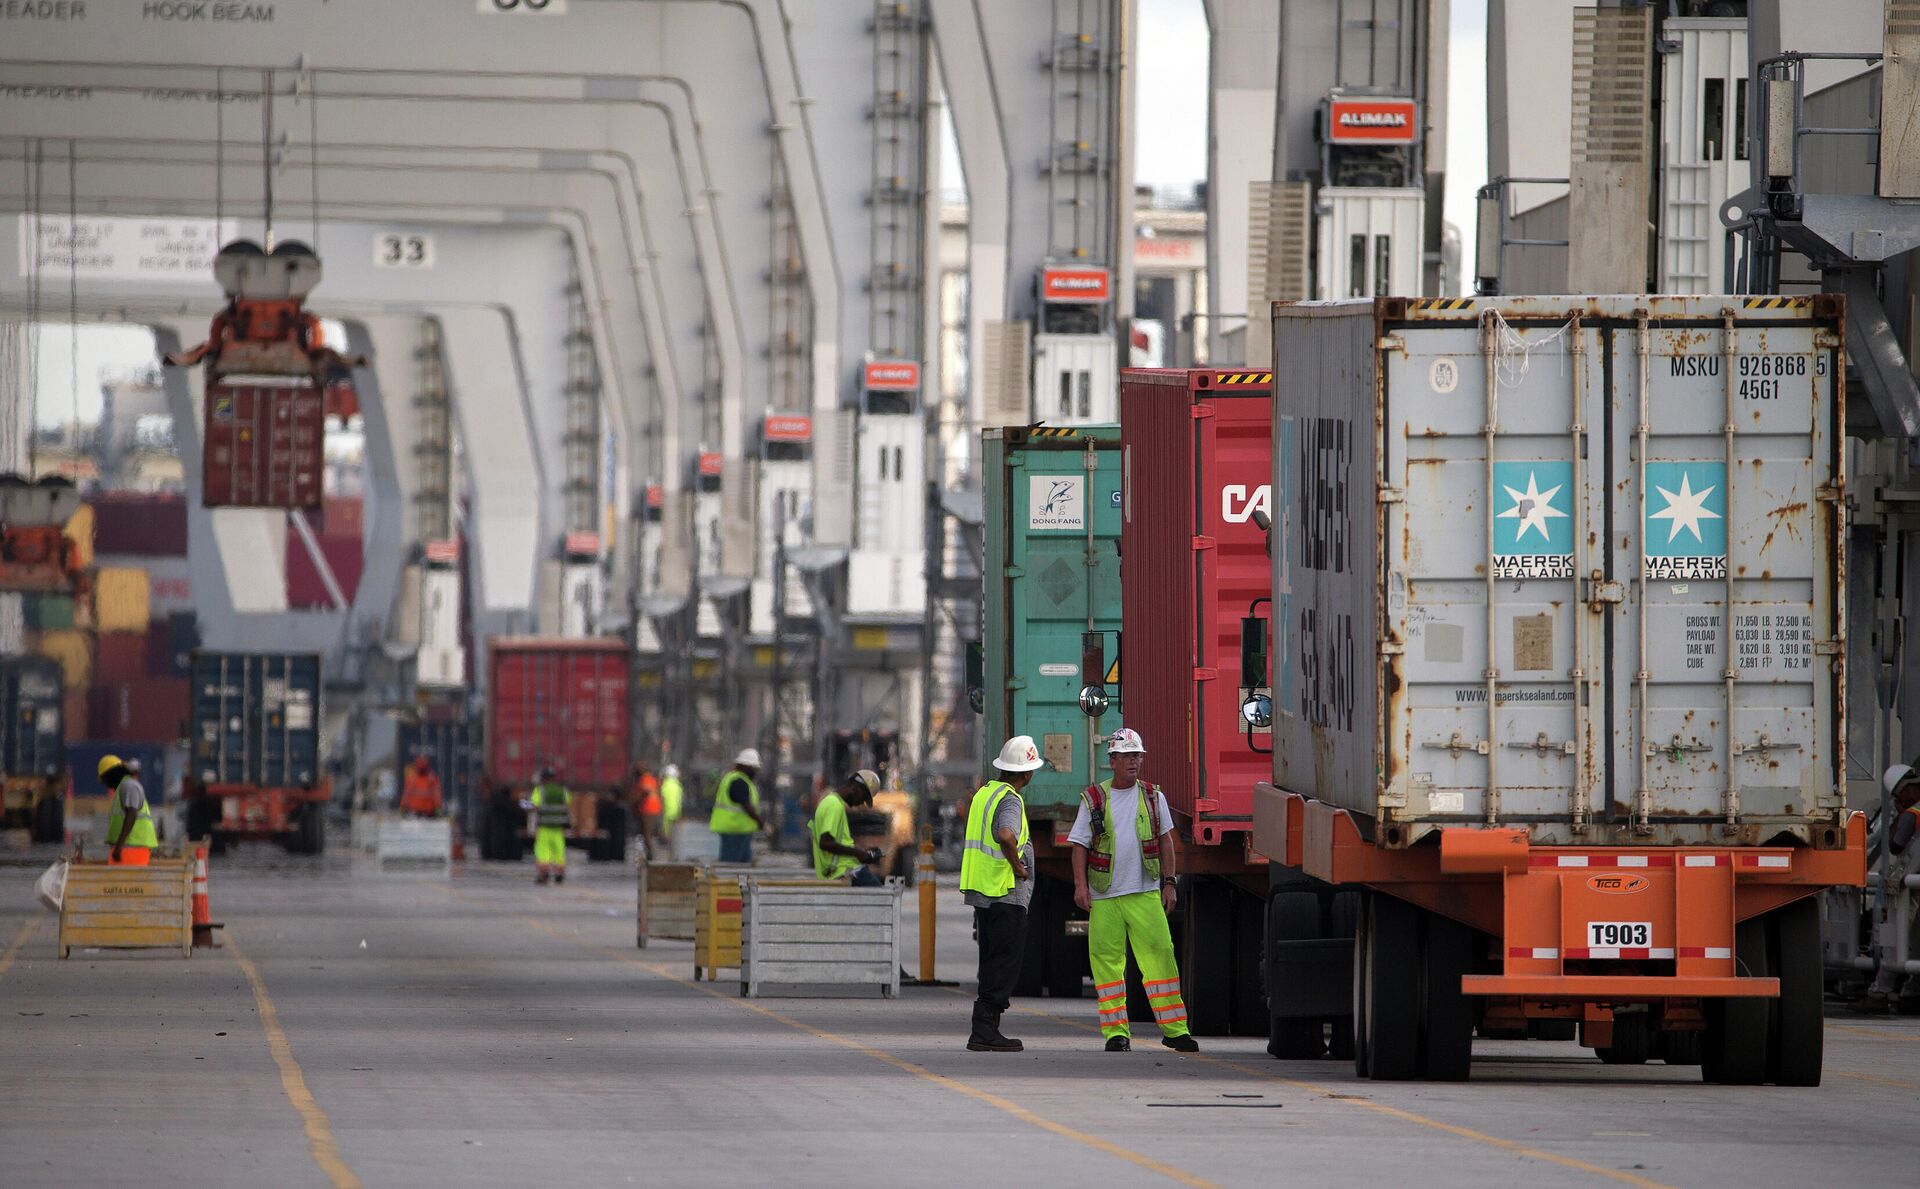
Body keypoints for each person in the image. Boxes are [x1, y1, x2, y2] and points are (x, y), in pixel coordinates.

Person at [1070, 728, 1198, 1053]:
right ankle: (1116, 1034)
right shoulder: (1094, 799)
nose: (1134, 761)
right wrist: (1081, 887)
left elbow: (1167, 841)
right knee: (1107, 964)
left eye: (1137, 755)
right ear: (1111, 760)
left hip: (1144, 892)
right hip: (1105, 896)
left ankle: (1175, 1030)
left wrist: (1170, 883)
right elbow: (1079, 846)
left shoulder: (1153, 797)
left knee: (1160, 957)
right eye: (1127, 756)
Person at [961, 735, 1043, 1053]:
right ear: (1026, 773)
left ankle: (984, 1029)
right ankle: (985, 1030)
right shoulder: (1010, 799)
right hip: (1004, 892)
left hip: (984, 890)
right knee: (1003, 963)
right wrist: (1019, 868)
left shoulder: (985, 793)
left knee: (992, 959)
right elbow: (1006, 835)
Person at [1855, 764, 1920, 1012]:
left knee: (1894, 932)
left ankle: (1881, 991)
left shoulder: (1912, 814)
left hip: (1908, 886)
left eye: (1899, 796)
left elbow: (1895, 846)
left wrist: (1900, 816)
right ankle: (1913, 990)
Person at [811, 770, 886, 887]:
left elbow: (836, 842)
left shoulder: (833, 803)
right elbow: (825, 843)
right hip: (846, 871)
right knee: (884, 900)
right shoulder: (834, 806)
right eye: (863, 797)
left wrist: (862, 853)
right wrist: (857, 853)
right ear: (855, 789)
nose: (861, 803)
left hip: (843, 870)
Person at [709, 748, 765, 865]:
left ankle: (735, 883)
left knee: (742, 868)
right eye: (753, 768)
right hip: (735, 832)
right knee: (733, 868)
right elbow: (746, 805)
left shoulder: (736, 779)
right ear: (746, 766)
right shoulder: (738, 782)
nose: (755, 771)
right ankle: (728, 883)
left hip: (739, 832)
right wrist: (760, 822)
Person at [99, 754, 157, 867]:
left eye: (106, 780)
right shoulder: (123, 788)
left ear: (112, 774)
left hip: (131, 848)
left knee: (128, 884)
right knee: (120, 884)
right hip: (128, 848)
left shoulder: (128, 785)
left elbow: (132, 814)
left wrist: (119, 846)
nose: (108, 785)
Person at [528, 767, 571, 885]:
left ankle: (544, 875)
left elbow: (533, 806)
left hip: (544, 828)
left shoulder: (540, 790)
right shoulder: (562, 790)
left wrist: (523, 803)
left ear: (543, 778)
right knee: (559, 853)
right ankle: (559, 875)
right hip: (558, 829)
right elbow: (568, 804)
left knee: (542, 853)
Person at [631, 764, 664, 858]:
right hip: (653, 808)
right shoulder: (652, 779)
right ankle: (649, 852)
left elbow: (645, 792)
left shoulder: (644, 779)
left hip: (647, 809)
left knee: (646, 833)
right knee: (647, 832)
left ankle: (650, 854)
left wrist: (636, 801)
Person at [658, 763, 685, 858]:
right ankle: (673, 853)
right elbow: (680, 800)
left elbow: (661, 798)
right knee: (674, 836)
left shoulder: (665, 785)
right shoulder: (678, 786)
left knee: (666, 833)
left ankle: (667, 852)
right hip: (676, 812)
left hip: (666, 812)